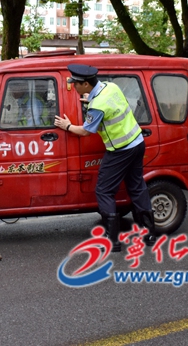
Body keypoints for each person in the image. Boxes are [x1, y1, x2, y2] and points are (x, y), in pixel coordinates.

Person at [53, 64, 155, 252]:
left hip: (120, 149)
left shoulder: (97, 106)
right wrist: (91, 100)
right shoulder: (110, 87)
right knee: (137, 187)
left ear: (86, 84)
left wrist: (67, 126)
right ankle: (148, 234)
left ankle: (112, 240)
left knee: (104, 190)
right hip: (137, 141)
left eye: (76, 84)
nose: (74, 87)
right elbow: (111, 107)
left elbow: (86, 131)